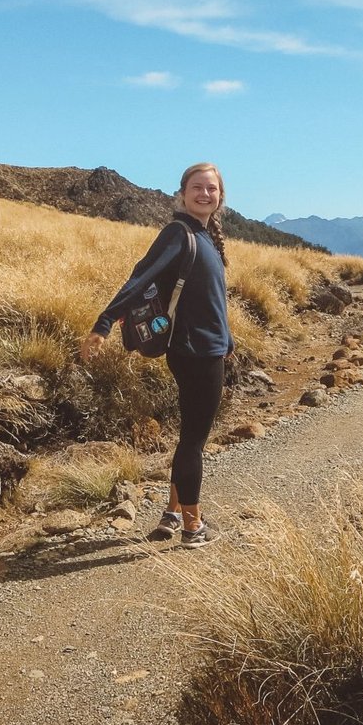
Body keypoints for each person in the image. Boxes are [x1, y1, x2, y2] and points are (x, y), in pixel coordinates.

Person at [80, 162, 231, 548]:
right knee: (194, 442)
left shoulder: (204, 235)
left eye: (211, 189)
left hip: (205, 348)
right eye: (197, 187)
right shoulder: (178, 234)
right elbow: (140, 277)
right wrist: (104, 324)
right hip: (197, 353)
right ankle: (193, 528)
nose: (204, 194)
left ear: (220, 196)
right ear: (181, 194)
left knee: (189, 437)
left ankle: (173, 512)